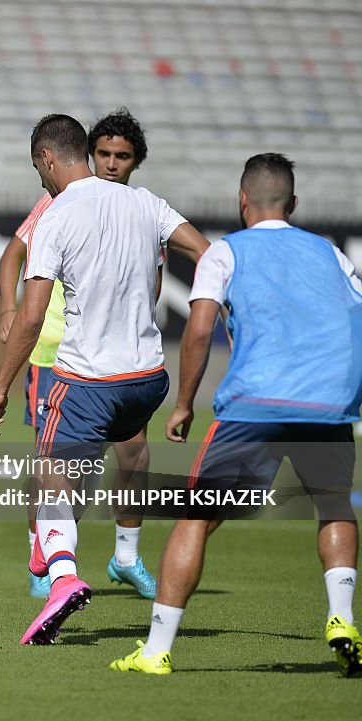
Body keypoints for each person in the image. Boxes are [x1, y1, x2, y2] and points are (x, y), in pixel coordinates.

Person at [111, 154, 362, 676]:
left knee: (195, 519)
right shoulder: (331, 254)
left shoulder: (225, 252)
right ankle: (342, 618)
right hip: (329, 402)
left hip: (255, 403)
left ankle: (156, 651)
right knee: (334, 504)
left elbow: (199, 330)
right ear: (293, 204)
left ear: (241, 200)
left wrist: (183, 404)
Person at [0, 114, 210, 645]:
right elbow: (206, 252)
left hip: (89, 377)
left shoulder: (54, 216)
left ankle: (59, 574)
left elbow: (33, 318)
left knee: (52, 471)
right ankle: (83, 553)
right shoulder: (146, 202)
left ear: (46, 159)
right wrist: (215, 305)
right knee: (118, 458)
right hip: (149, 379)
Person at [0, 108, 159, 600]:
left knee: (134, 454)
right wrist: (9, 308)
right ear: (89, 155)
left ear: (135, 162)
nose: (111, 163)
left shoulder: (137, 209)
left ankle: (125, 555)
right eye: (103, 154)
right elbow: (13, 255)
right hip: (55, 355)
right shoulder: (57, 205)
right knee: (54, 466)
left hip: (119, 361)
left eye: (122, 156)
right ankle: (41, 557)